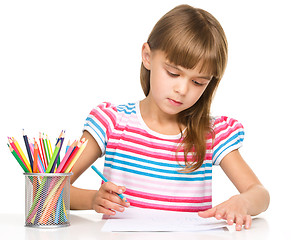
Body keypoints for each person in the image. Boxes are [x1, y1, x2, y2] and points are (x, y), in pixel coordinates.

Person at [70, 4, 270, 231]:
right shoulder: (112, 123)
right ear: (147, 57)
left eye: (198, 82)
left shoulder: (211, 133)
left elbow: (260, 194)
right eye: (173, 73)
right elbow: (50, 188)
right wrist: (92, 199)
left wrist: (242, 202)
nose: (182, 89)